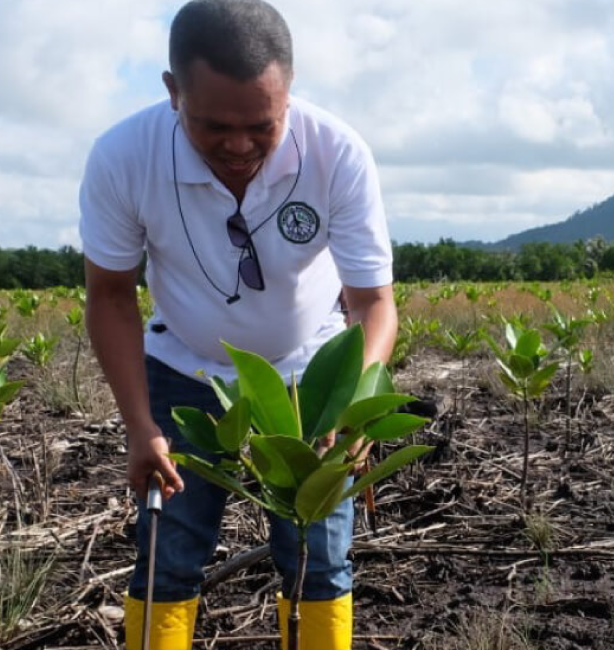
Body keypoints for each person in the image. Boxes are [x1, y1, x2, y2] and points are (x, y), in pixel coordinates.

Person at [78, 1, 397, 648]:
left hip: (312, 377)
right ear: (172, 92)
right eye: (213, 126)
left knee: (319, 560)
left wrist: (355, 411)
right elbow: (111, 295)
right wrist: (141, 428)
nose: (239, 145)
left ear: (290, 92)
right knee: (166, 557)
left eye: (262, 125)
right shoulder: (124, 156)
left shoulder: (337, 153)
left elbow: (371, 303)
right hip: (183, 367)